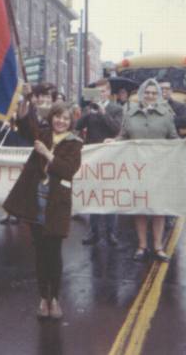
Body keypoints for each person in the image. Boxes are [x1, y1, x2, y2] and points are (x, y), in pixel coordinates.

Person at [3, 102, 83, 320]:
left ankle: (54, 298)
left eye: (66, 118)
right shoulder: (43, 134)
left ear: (71, 122)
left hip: (56, 204)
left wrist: (48, 154)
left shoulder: (75, 143)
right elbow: (25, 126)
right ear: (52, 118)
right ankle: (43, 298)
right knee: (39, 253)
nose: (61, 121)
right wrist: (24, 108)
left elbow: (68, 170)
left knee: (53, 253)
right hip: (35, 201)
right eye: (57, 117)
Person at [115, 78, 186, 263]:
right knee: (140, 208)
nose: (150, 96)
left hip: (159, 170)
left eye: (153, 93)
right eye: (147, 92)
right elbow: (123, 136)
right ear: (141, 94)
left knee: (158, 208)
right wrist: (113, 141)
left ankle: (158, 246)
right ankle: (142, 246)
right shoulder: (130, 114)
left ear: (158, 95)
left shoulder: (166, 115)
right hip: (137, 169)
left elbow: (173, 137)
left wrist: (184, 142)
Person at [76, 78, 123, 247]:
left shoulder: (117, 109)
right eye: (98, 91)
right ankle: (93, 231)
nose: (101, 94)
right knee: (93, 194)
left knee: (109, 194)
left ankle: (111, 232)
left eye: (103, 91)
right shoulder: (90, 109)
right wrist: (88, 111)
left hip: (110, 156)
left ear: (109, 92)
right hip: (93, 157)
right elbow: (78, 125)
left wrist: (103, 113)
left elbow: (117, 129)